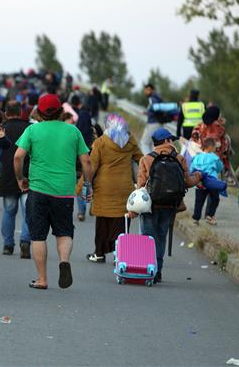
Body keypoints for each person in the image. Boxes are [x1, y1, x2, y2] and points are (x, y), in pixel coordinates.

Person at [14, 93, 92, 290]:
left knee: (38, 235)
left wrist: (20, 179)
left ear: (39, 112)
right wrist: (87, 184)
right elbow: (86, 161)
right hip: (64, 191)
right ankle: (64, 261)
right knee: (64, 231)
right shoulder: (73, 131)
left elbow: (17, 157)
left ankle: (42, 279)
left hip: (38, 189)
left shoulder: (32, 130)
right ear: (60, 111)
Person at [134, 128, 201, 283]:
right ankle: (158, 271)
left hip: (150, 205)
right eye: (170, 139)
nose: (173, 142)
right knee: (161, 237)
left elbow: (141, 185)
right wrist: (198, 176)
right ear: (165, 141)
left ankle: (147, 268)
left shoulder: (146, 159)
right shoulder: (179, 158)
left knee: (148, 238)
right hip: (170, 205)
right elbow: (187, 182)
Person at [85, 114, 142, 262]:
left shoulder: (100, 142)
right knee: (121, 222)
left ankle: (99, 253)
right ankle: (120, 254)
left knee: (103, 222)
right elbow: (141, 160)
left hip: (104, 188)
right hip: (124, 187)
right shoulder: (130, 141)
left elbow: (92, 167)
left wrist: (82, 186)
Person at [0, 103, 32, 258]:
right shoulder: (29, 128)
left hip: (7, 176)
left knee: (9, 211)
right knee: (28, 212)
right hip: (27, 176)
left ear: (6, 114)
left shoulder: (1, 129)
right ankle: (25, 242)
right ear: (20, 113)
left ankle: (8, 245)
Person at [190, 138, 224, 226]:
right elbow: (220, 167)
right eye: (214, 147)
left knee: (199, 201)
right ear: (210, 147)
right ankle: (209, 216)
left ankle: (196, 219)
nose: (215, 149)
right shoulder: (214, 157)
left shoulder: (197, 157)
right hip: (211, 181)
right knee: (215, 198)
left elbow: (191, 169)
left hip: (200, 181)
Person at [73, 95, 95, 221]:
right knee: (87, 184)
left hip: (76, 164)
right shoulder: (93, 131)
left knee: (79, 186)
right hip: (89, 164)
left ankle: (81, 211)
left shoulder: (75, 132)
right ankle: (89, 206)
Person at [190, 106, 230, 172]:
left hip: (197, 161)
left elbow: (194, 141)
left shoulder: (197, 127)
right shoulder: (219, 128)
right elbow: (223, 148)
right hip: (214, 163)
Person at [139, 83, 164, 154]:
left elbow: (155, 110)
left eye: (147, 90)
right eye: (145, 90)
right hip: (159, 123)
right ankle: (155, 161)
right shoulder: (158, 98)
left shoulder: (152, 99)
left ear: (152, 90)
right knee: (153, 144)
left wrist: (148, 113)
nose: (146, 92)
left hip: (153, 123)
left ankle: (149, 161)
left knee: (144, 143)